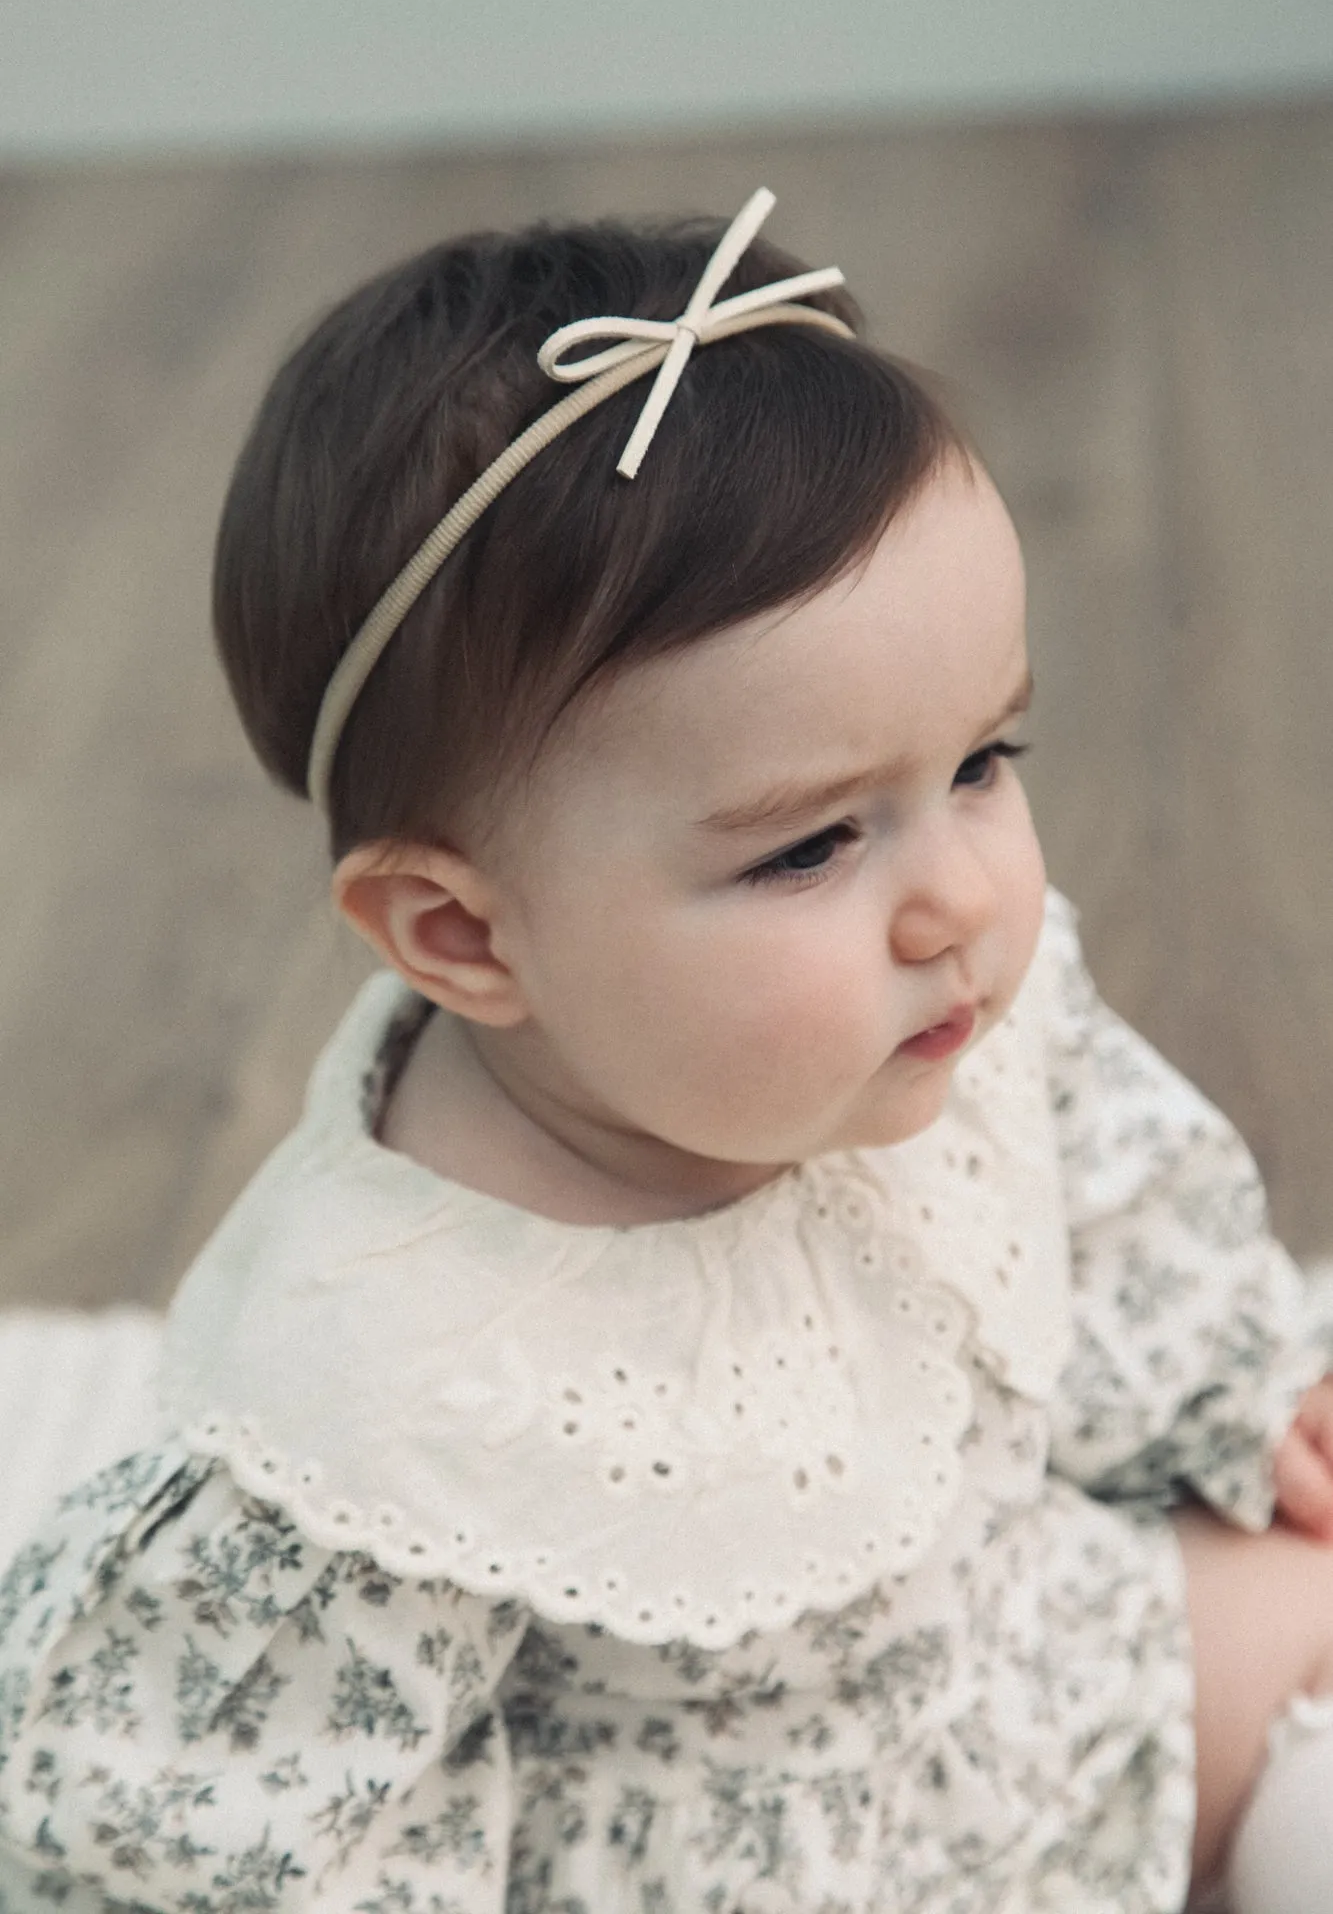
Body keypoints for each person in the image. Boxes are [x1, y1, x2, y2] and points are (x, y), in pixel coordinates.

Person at [0, 187, 1331, 1914]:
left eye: (987, 760)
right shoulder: (393, 1404)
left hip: (1039, 1682)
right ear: (467, 937)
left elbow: (1110, 1191)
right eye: (806, 847)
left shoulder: (916, 1012)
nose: (959, 900)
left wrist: (1242, 1401)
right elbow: (244, 1838)